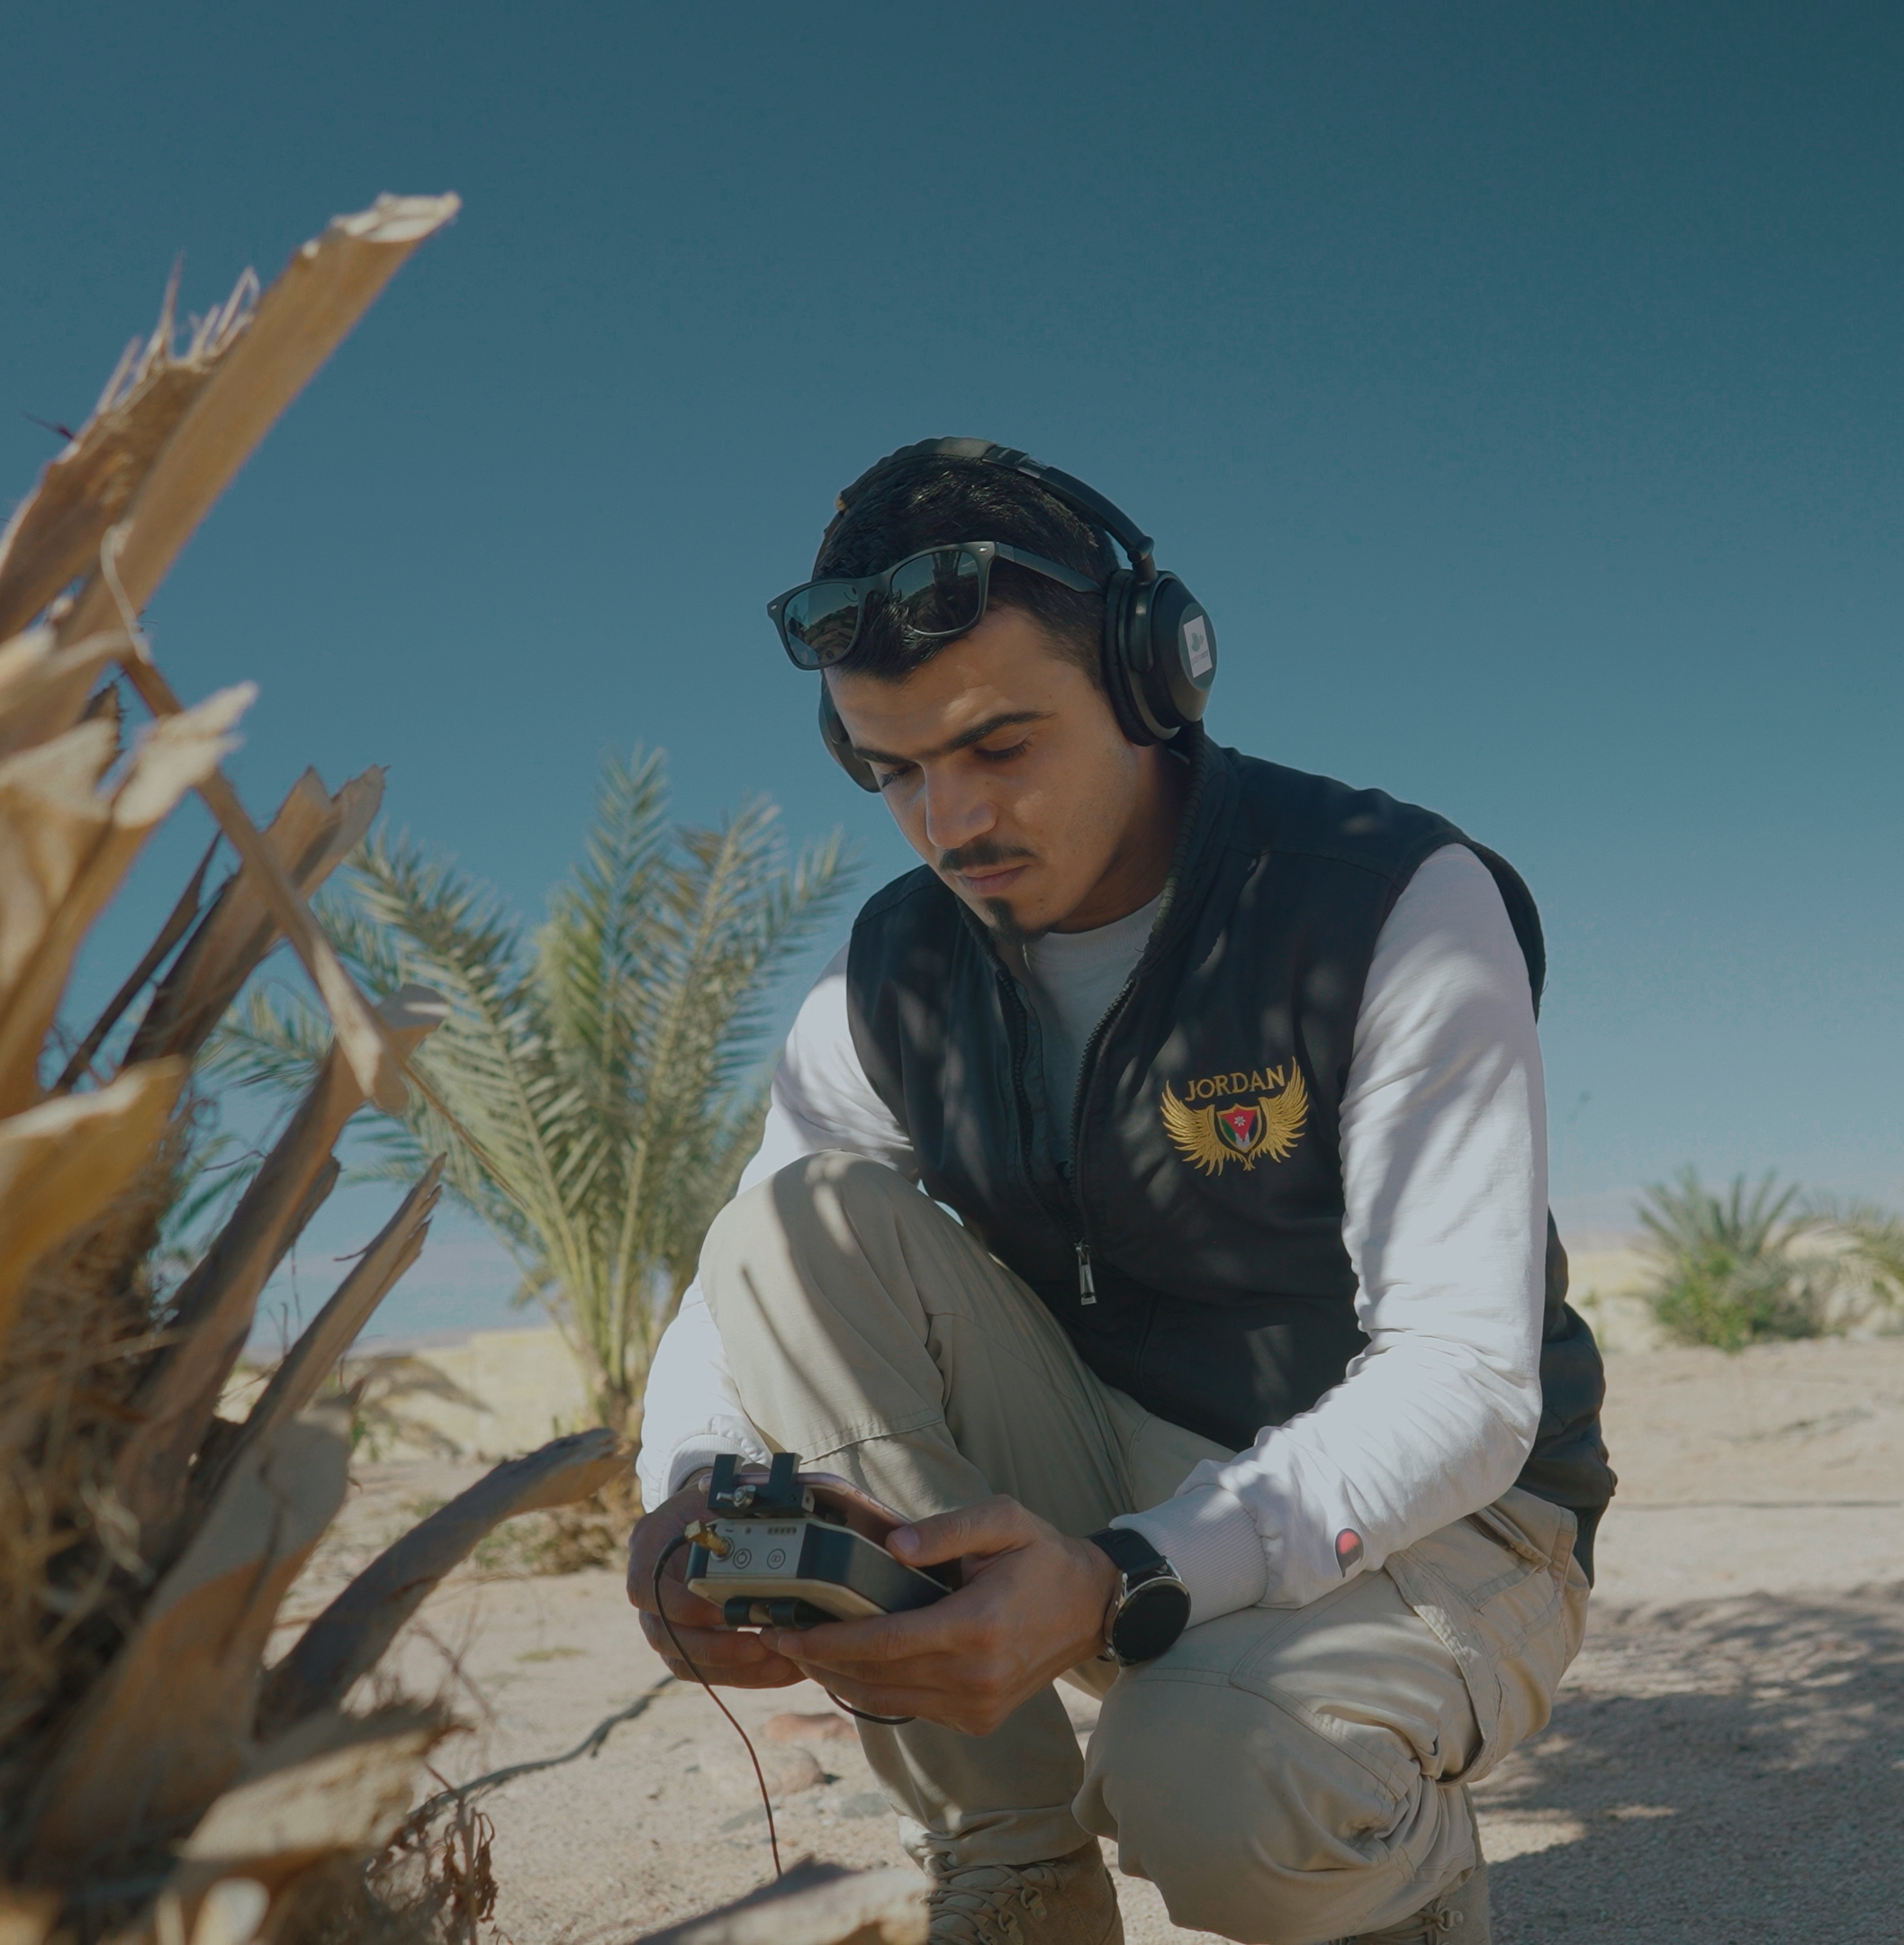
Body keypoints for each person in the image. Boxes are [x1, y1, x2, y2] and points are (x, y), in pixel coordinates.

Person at [624, 439, 1611, 1945]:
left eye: (1000, 746)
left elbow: (1466, 1389)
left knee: (1213, 1784)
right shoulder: (889, 980)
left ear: (1156, 684)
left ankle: (1386, 1874)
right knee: (790, 1230)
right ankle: (1013, 1868)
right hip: (1109, 1499)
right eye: (897, 772)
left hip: (1451, 1526)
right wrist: (687, 1502)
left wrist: (1121, 1577)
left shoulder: (1385, 902)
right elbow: (738, 1291)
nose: (951, 823)